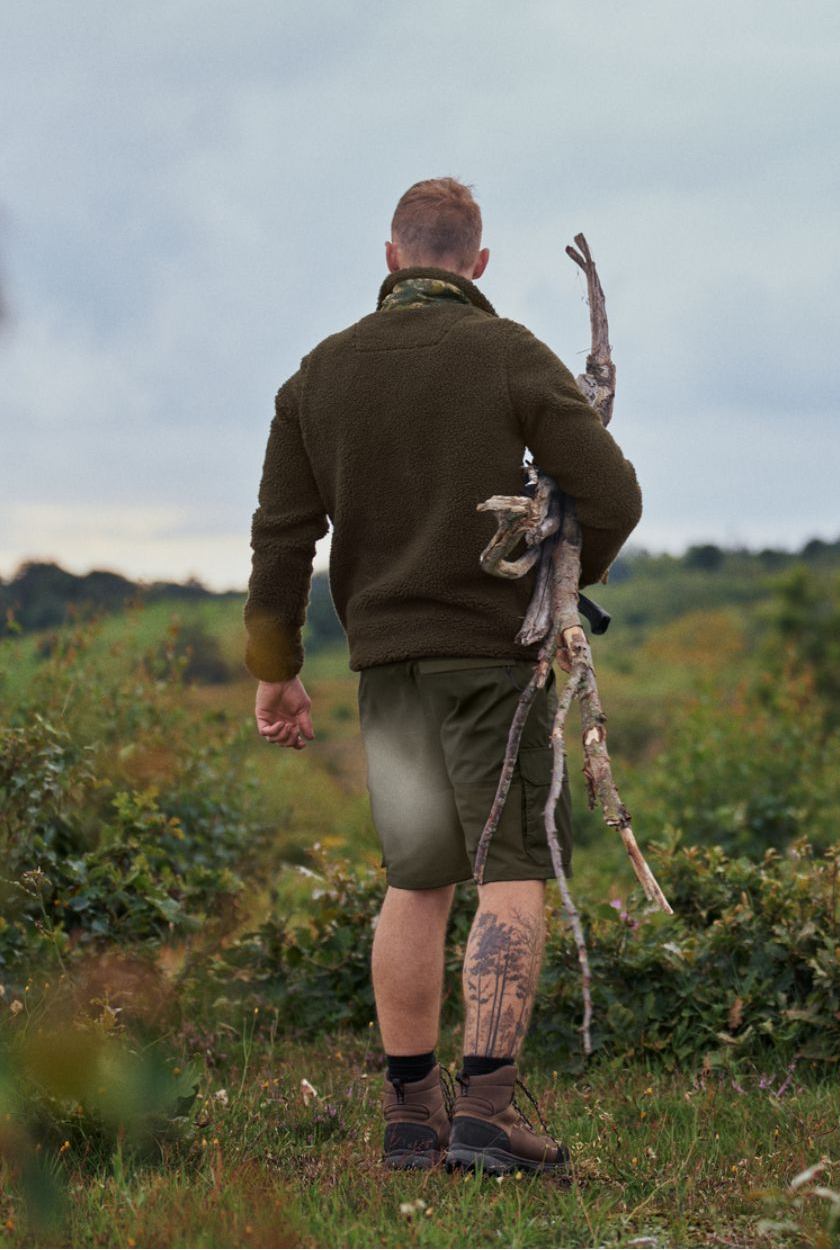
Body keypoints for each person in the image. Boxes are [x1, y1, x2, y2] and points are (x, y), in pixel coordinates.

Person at [243, 176, 642, 1175]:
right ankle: (486, 1111)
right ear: (479, 263)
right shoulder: (505, 351)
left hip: (385, 667)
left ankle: (411, 1114)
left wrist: (275, 671)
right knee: (509, 873)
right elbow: (614, 491)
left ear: (390, 258)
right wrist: (562, 579)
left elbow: (282, 536)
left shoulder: (316, 375)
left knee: (413, 879)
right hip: (489, 664)